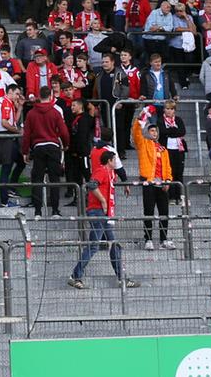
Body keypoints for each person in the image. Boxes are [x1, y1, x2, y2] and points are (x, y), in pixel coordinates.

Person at [69, 142, 138, 289]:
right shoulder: (101, 171)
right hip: (97, 211)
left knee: (113, 244)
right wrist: (102, 200)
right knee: (94, 246)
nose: (116, 162)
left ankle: (121, 277)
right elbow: (92, 185)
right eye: (114, 159)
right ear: (109, 161)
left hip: (102, 213)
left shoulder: (107, 173)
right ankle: (75, 275)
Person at [21, 86, 69, 217]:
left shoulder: (31, 113)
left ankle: (37, 211)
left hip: (38, 147)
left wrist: (25, 151)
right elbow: (64, 132)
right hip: (53, 146)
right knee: (55, 179)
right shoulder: (55, 112)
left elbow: (27, 134)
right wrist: (65, 145)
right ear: (51, 96)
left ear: (39, 96)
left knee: (37, 179)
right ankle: (55, 210)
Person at [133, 118, 174, 250]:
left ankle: (164, 239)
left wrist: (168, 180)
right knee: (149, 212)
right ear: (147, 132)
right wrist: (140, 120)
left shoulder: (163, 149)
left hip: (162, 184)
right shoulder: (143, 143)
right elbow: (136, 133)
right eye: (151, 131)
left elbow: (168, 168)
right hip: (149, 183)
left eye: (155, 131)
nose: (154, 133)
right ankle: (148, 239)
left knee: (164, 213)